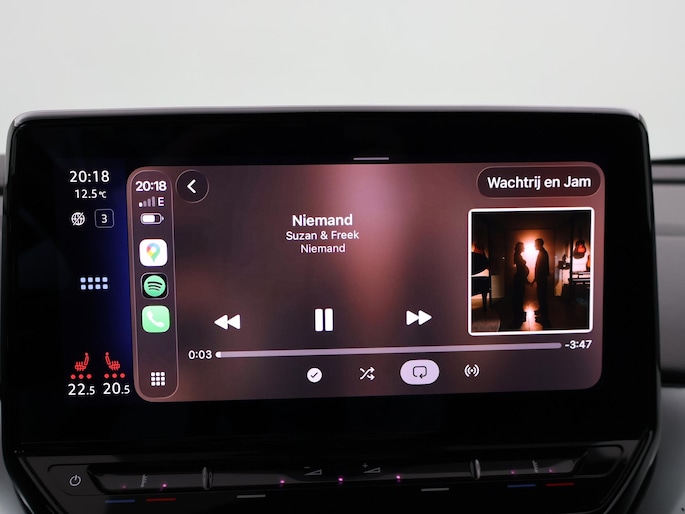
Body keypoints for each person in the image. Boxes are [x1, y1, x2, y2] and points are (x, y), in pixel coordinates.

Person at [511, 242, 529, 327]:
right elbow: (521, 270)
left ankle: (519, 313)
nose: (524, 248)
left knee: (519, 297)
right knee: (519, 297)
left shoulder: (518, 255)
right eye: (523, 246)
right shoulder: (518, 256)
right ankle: (519, 314)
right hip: (520, 279)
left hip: (520, 279)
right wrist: (525, 279)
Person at [533, 238, 550, 321]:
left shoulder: (543, 253)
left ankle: (544, 314)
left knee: (542, 295)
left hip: (541, 277)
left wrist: (536, 278)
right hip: (541, 277)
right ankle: (542, 310)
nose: (534, 246)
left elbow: (541, 267)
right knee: (541, 295)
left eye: (535, 244)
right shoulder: (543, 253)